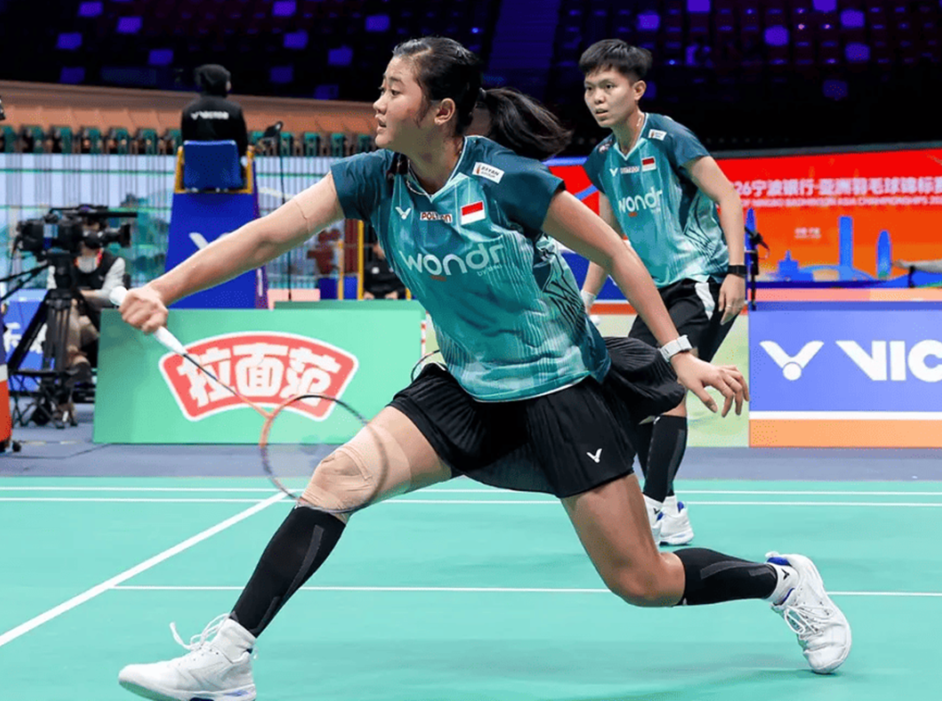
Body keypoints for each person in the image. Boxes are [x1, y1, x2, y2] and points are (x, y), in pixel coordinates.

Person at [114, 36, 850, 701]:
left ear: (440, 112)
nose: (377, 104)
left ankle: (784, 583)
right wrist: (163, 288)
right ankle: (230, 656)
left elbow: (616, 252)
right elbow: (266, 236)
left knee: (642, 580)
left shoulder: (507, 180)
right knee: (337, 479)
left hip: (561, 389)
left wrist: (678, 353)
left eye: (393, 90)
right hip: (464, 385)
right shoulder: (374, 177)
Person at [578, 39, 748, 547]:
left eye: (608, 87)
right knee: (634, 389)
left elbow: (728, 196)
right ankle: (669, 509)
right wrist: (584, 300)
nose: (597, 98)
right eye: (590, 89)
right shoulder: (601, 159)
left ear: (637, 90)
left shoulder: (668, 136)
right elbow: (607, 242)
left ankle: (651, 504)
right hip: (655, 293)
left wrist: (737, 271)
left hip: (704, 279)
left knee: (669, 381)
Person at [45, 217, 126, 421]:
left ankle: (66, 393)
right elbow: (52, 293)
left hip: (97, 324)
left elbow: (109, 295)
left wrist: (76, 296)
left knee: (68, 312)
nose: (86, 233)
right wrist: (73, 299)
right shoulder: (60, 260)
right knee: (65, 311)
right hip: (67, 321)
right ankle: (76, 359)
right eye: (82, 228)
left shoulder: (113, 262)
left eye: (92, 227)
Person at [180, 64, 249, 162]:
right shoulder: (234, 110)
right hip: (228, 169)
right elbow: (242, 146)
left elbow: (186, 142)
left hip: (197, 169)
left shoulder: (189, 110)